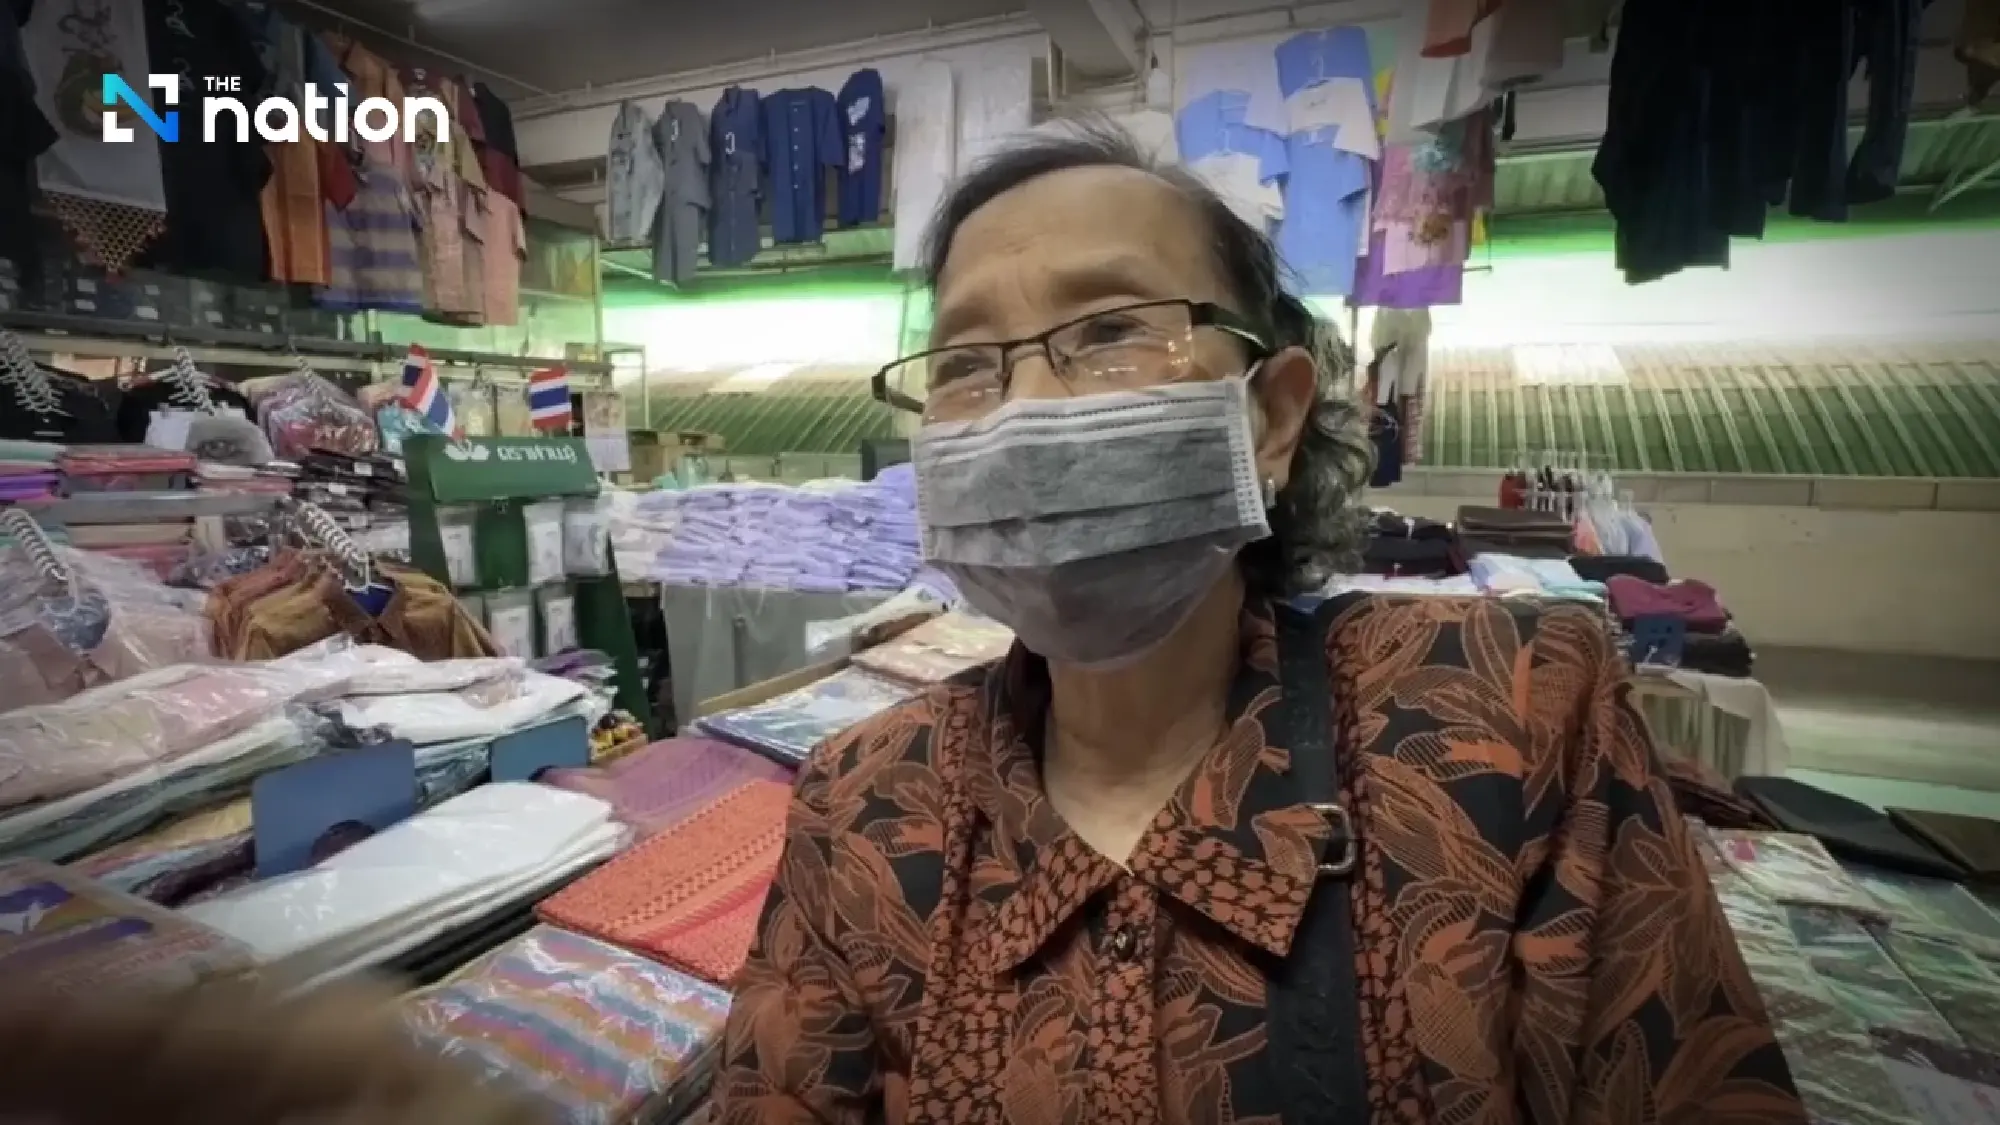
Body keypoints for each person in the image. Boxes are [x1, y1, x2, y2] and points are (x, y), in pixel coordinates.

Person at [0, 127, 1807, 1125]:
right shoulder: (872, 805)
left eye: (1104, 332)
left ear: (1265, 410)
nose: (1022, 403)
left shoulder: (1505, 716)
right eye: (964, 360)